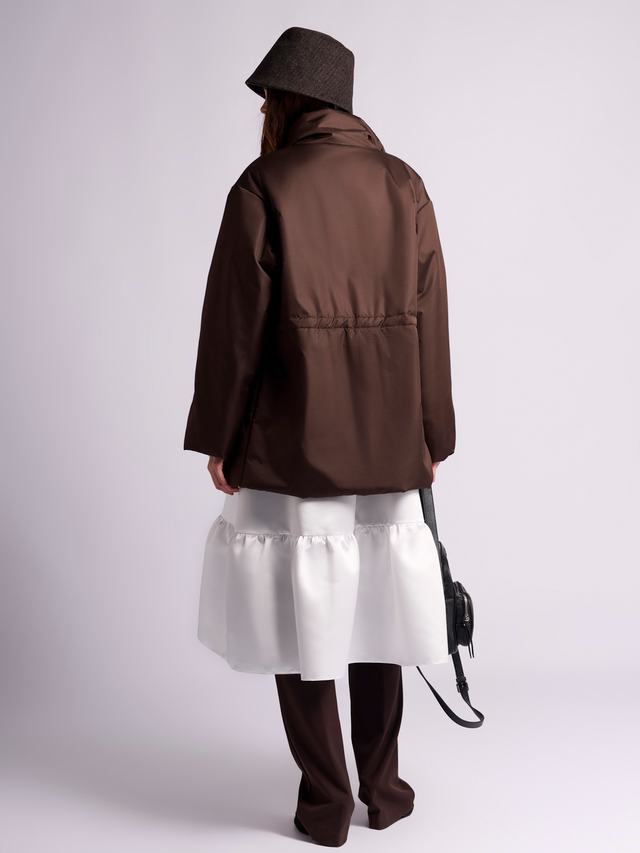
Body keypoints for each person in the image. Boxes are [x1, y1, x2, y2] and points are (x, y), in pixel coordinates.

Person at [184, 26, 456, 848]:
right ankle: (385, 789)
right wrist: (433, 433)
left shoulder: (263, 186)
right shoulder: (404, 184)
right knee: (380, 610)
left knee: (305, 620)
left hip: (294, 444)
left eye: (268, 100)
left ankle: (325, 802)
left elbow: (234, 328)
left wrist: (220, 435)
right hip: (389, 446)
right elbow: (432, 323)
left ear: (287, 103)